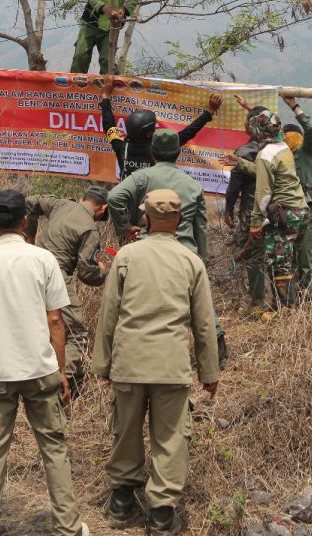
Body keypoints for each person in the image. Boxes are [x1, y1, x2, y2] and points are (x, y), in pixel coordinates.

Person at [0, 190, 88, 536]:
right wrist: (61, 372)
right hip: (41, 371)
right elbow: (56, 321)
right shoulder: (43, 260)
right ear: (25, 222)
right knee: (54, 448)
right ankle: (69, 528)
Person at [91, 189, 219, 535]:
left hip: (130, 362)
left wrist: (102, 364)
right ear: (178, 220)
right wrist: (209, 371)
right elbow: (204, 323)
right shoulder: (191, 261)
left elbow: (109, 314)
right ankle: (161, 515)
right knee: (171, 438)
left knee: (126, 429)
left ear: (145, 218)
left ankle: (121, 502)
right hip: (171, 365)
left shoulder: (127, 256)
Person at [106, 129, 227, 365]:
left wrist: (125, 227)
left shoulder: (142, 177)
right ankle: (217, 348)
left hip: (148, 252)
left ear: (152, 153)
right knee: (198, 304)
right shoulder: (192, 185)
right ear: (178, 153)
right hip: (184, 254)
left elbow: (113, 198)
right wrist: (199, 259)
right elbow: (200, 228)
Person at [25, 187, 111, 397]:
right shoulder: (90, 229)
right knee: (76, 334)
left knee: (41, 329)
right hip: (56, 277)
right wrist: (102, 271)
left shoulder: (60, 203)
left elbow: (29, 201)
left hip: (29, 271)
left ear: (82, 199)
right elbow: (86, 274)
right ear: (103, 209)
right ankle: (56, 387)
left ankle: (62, 386)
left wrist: (29, 240)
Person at [221, 108, 308, 309]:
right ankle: (286, 305)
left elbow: (263, 193)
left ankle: (287, 310)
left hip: (285, 213)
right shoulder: (282, 148)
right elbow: (266, 171)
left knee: (279, 262)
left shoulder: (265, 154)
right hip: (300, 211)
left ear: (258, 131)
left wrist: (255, 224)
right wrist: (241, 162)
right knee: (287, 257)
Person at [100, 79, 221, 178]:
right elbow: (187, 133)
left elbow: (108, 125)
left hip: (127, 199)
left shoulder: (120, 144)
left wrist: (105, 96)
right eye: (154, 127)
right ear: (148, 133)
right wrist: (209, 112)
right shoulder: (158, 147)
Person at [278, 95, 312, 290]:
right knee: (291, 254)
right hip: (289, 209)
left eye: (285, 134)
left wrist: (293, 105)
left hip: (306, 207)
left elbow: (311, 129)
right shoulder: (283, 157)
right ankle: (295, 295)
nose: (282, 138)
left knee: (305, 253)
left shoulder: (304, 153)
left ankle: (309, 296)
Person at [223, 135, 266, 313]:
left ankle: (257, 302)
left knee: (252, 255)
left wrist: (229, 208)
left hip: (251, 211)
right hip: (276, 210)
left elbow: (234, 186)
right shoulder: (276, 150)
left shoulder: (243, 153)